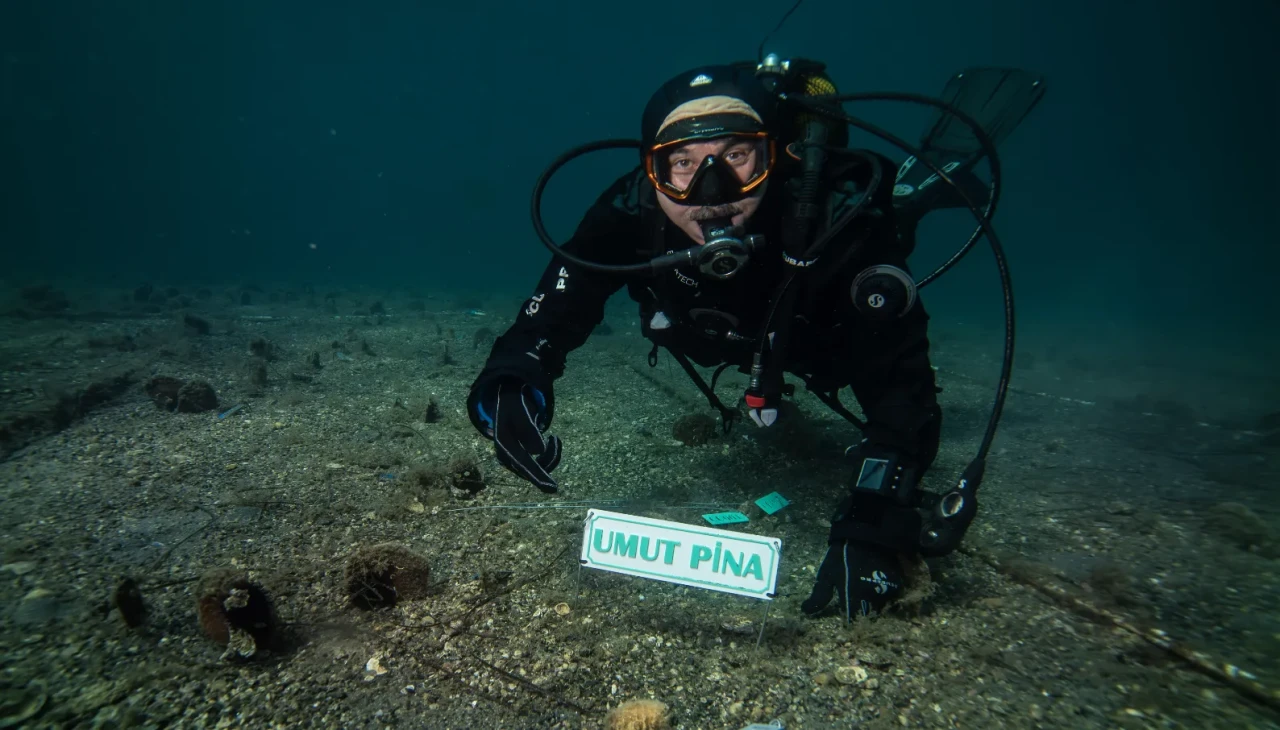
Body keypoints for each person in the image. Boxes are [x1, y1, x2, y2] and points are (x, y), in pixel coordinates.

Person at [466, 59, 1044, 620]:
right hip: (710, 334)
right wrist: (514, 383)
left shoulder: (835, 217)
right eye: (683, 164)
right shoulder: (631, 209)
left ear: (778, 157)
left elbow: (900, 383)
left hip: (816, 343)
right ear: (652, 173)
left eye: (737, 156)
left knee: (888, 221)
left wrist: (878, 515)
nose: (711, 190)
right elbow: (556, 309)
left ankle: (917, 190)